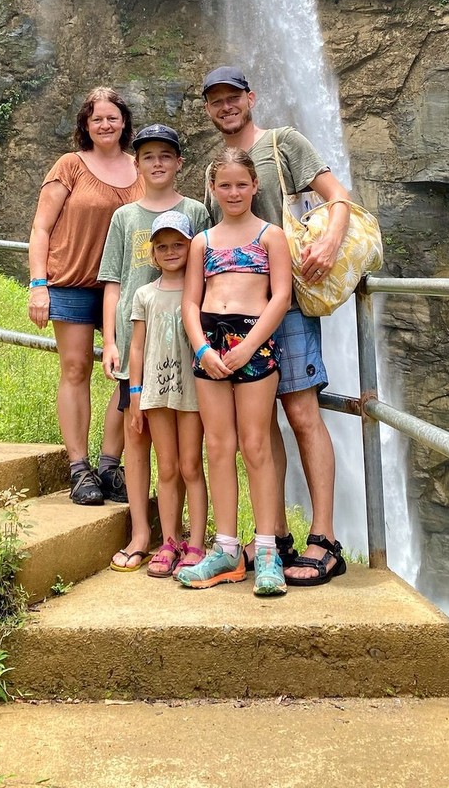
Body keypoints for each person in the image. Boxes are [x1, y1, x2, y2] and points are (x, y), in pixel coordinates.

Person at [199, 65, 349, 586]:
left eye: (232, 97)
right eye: (215, 101)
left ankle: (325, 539)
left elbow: (338, 196)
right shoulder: (214, 169)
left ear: (250, 98)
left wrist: (329, 242)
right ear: (208, 109)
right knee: (258, 430)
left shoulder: (283, 142)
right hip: (231, 320)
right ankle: (275, 538)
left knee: (303, 412)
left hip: (284, 308)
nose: (225, 107)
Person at [178, 148, 292, 597]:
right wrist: (202, 347)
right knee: (218, 445)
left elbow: (280, 297)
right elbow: (190, 300)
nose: (233, 192)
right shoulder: (202, 241)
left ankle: (266, 550)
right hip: (209, 344)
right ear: (212, 189)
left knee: (256, 444)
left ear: (255, 186)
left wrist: (248, 347)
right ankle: (226, 549)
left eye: (241, 184)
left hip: (253, 341)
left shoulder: (271, 236)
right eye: (224, 185)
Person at [98, 124, 209, 570]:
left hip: (186, 352)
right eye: (148, 156)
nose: (157, 162)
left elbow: (210, 270)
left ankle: (181, 536)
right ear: (137, 163)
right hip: (135, 346)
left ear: (179, 161)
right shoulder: (124, 217)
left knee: (184, 455)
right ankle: (143, 532)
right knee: (138, 438)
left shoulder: (197, 213)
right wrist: (109, 341)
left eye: (166, 154)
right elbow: (112, 283)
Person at [28, 86, 143, 506]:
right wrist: (38, 284)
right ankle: (80, 469)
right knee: (76, 369)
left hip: (128, 287)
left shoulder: (142, 167)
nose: (106, 124)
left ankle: (110, 464)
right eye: (97, 118)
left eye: (112, 117)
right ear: (86, 125)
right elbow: (41, 227)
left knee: (130, 372)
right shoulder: (70, 166)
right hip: (72, 281)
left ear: (125, 122)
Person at [127, 211, 208, 578]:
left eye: (179, 244)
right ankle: (169, 540)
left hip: (193, 390)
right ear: (153, 255)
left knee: (191, 465)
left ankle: (197, 543)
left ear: (192, 247)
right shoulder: (144, 295)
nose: (171, 251)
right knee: (168, 467)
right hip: (156, 392)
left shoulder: (202, 290)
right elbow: (137, 348)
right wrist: (134, 395)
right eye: (163, 247)